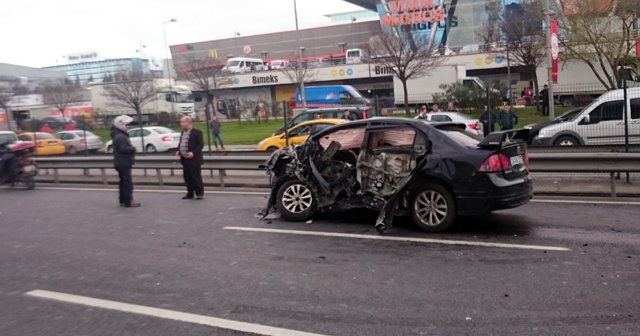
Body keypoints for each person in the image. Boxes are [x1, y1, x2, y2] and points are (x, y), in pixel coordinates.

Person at [110, 115, 140, 208]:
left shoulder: (117, 135)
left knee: (123, 182)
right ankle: (128, 201)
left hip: (120, 162)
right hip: (123, 162)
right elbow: (123, 149)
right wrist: (133, 149)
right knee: (127, 183)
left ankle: (122, 200)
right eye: (127, 125)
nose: (128, 126)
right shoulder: (121, 136)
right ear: (121, 124)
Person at [176, 116, 204, 200]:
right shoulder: (182, 133)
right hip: (185, 159)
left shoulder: (197, 132)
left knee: (195, 176)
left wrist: (193, 152)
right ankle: (190, 193)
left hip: (194, 159)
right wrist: (179, 150)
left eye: (182, 122)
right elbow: (181, 143)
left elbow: (200, 145)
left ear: (188, 122)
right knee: (187, 177)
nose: (181, 124)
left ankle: (199, 193)